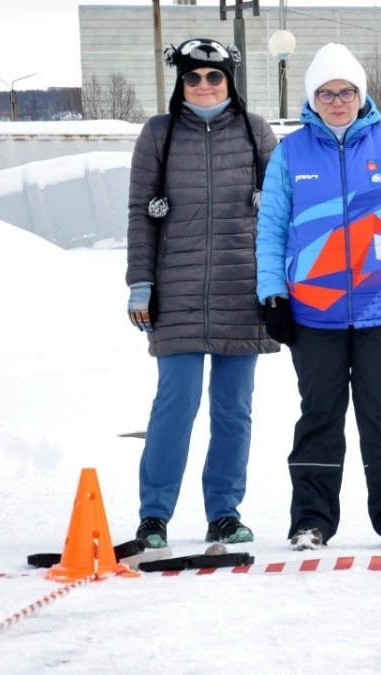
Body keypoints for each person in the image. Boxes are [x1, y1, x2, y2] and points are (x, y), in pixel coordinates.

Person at [255, 43, 381, 551]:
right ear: (312, 99)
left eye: (346, 91)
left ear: (362, 95)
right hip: (313, 311)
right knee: (319, 416)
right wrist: (272, 295)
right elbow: (270, 226)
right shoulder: (290, 153)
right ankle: (311, 520)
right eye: (326, 92)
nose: (337, 100)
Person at [126, 37, 278, 549]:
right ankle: (154, 516)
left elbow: (281, 219)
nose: (205, 85)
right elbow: (139, 214)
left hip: (242, 290)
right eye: (193, 77)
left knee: (233, 408)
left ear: (230, 80)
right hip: (178, 293)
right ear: (181, 82)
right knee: (176, 401)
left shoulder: (257, 133)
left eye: (214, 77)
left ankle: (224, 513)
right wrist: (139, 284)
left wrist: (279, 287)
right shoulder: (159, 134)